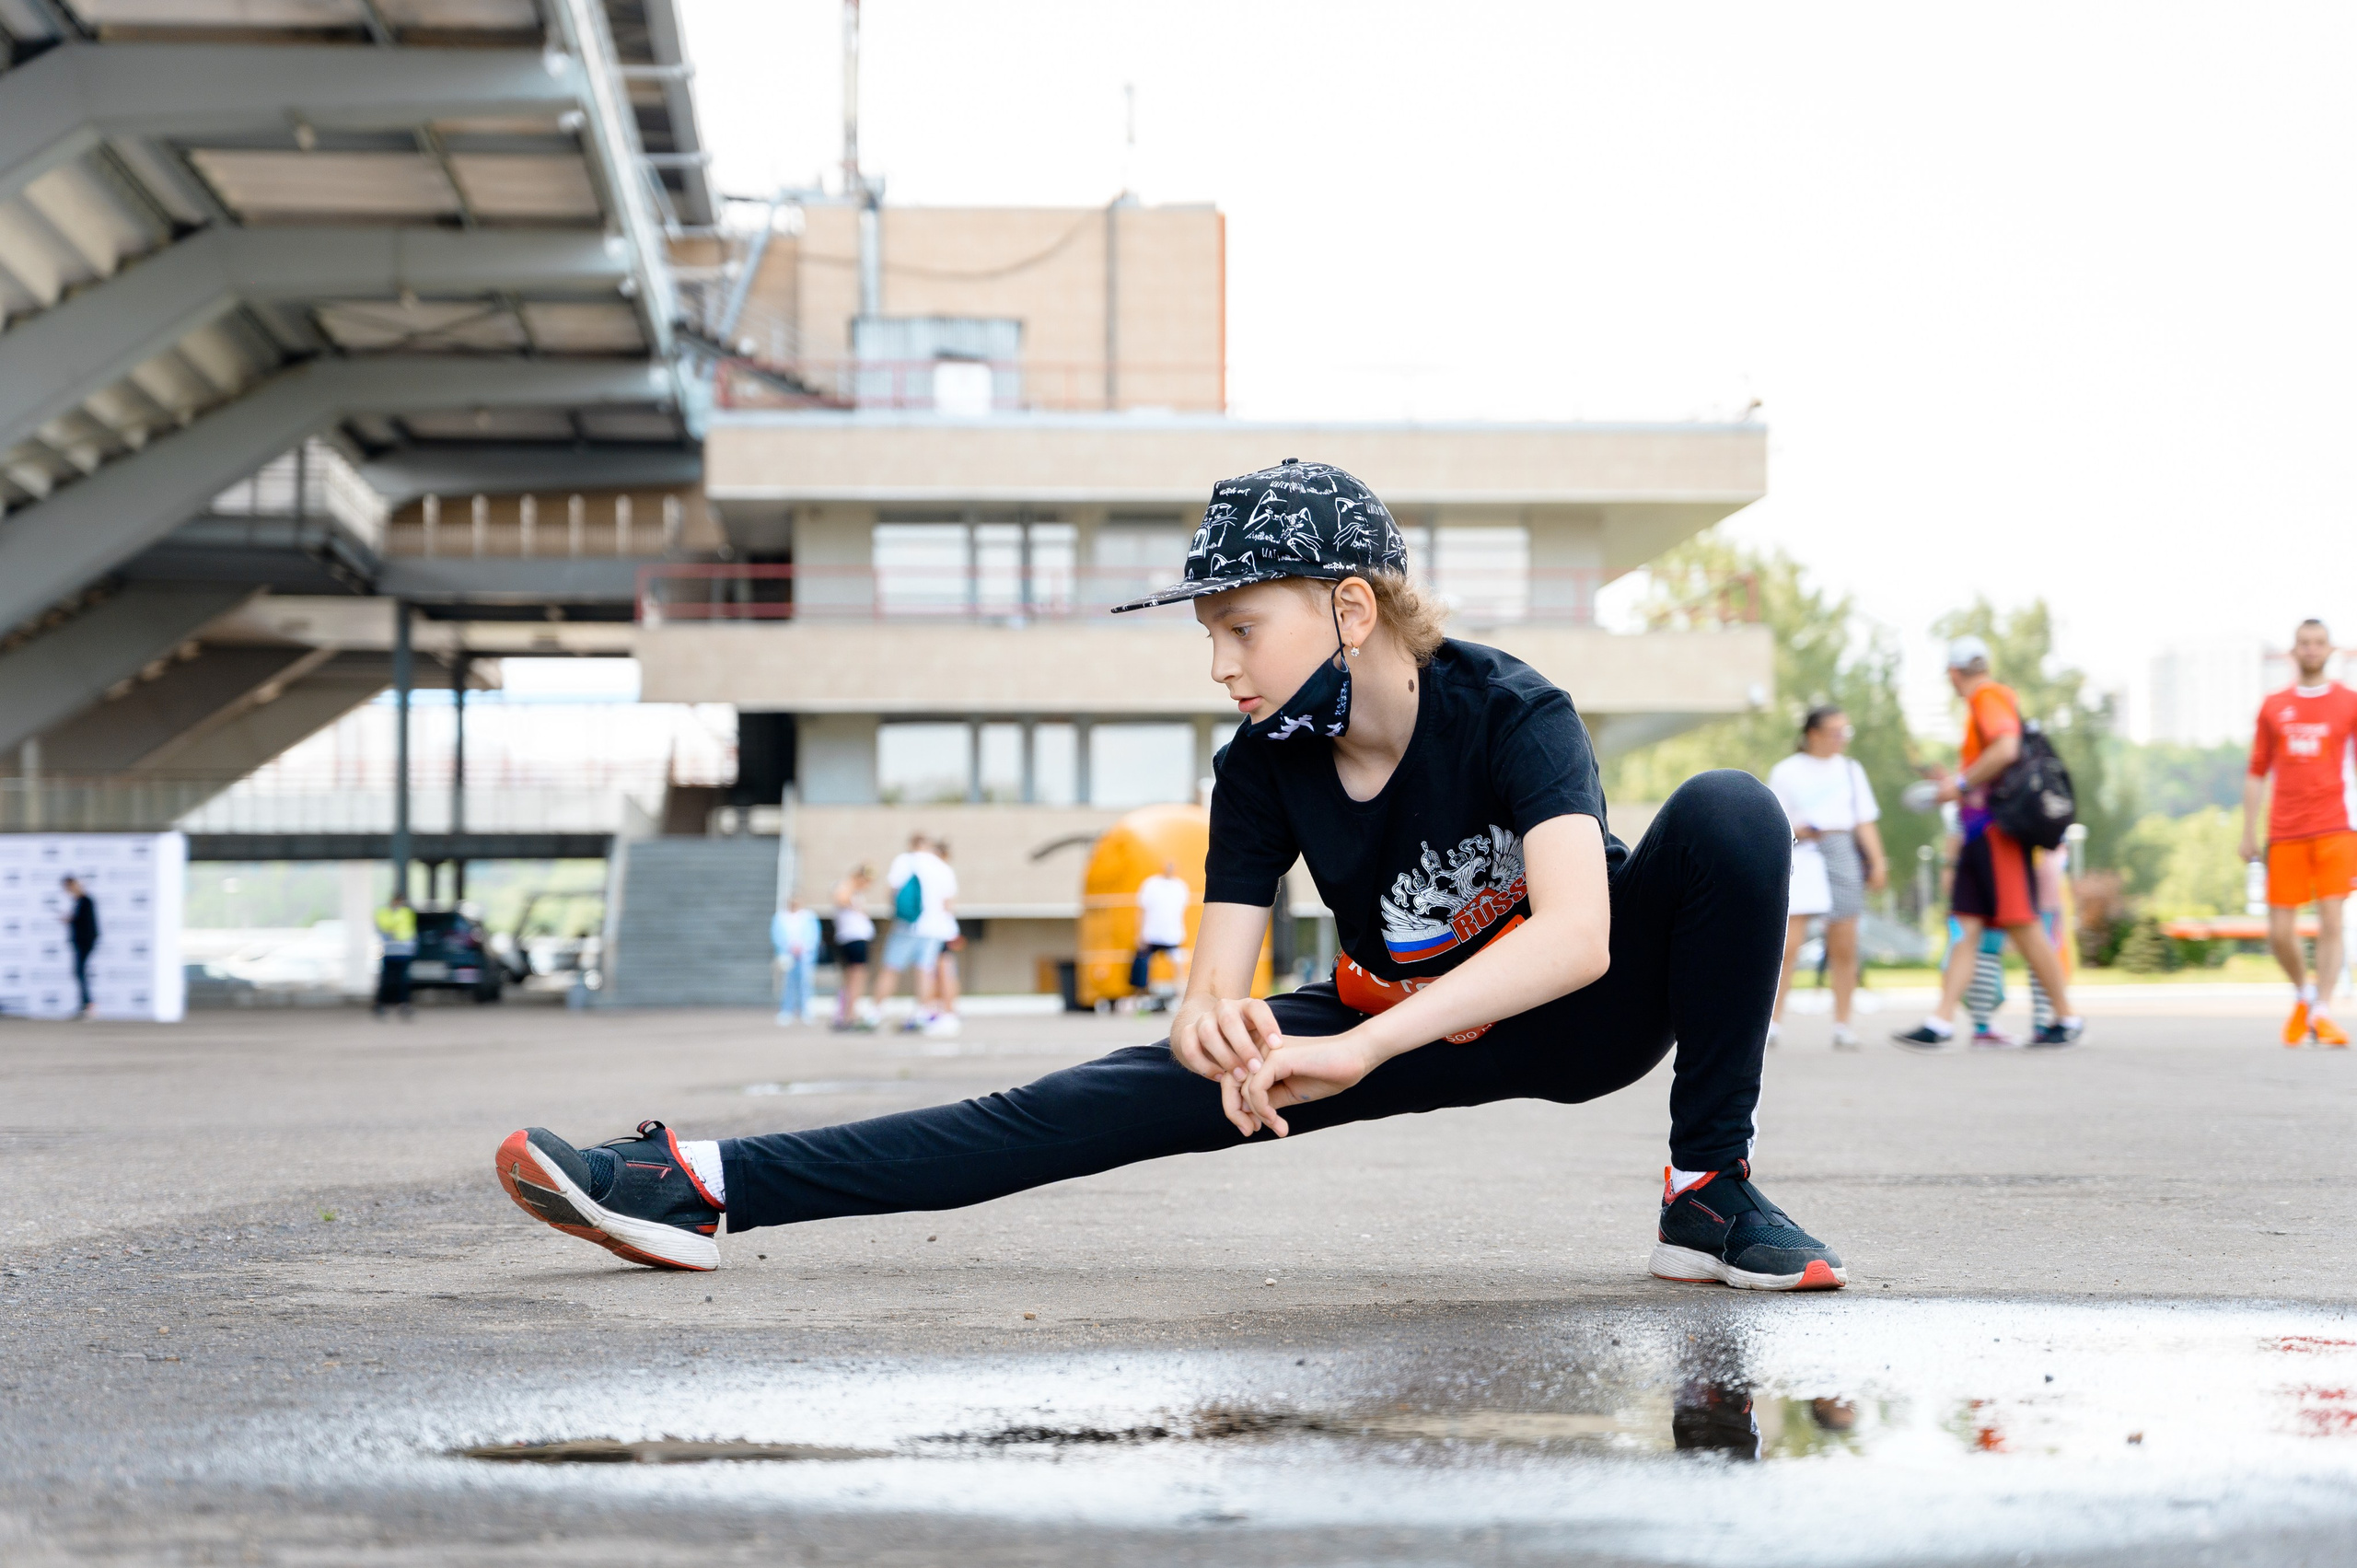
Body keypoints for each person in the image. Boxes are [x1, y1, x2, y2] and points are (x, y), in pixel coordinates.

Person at [495, 459, 1847, 1293]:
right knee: (1062, 1104)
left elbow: (1576, 936)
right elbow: (1219, 973)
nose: (1223, 662)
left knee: (1732, 811)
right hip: (1382, 1011)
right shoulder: (1263, 756)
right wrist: (1221, 1024)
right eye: (1213, 633)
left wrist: (1367, 1051)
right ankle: (698, 1183)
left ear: (1349, 607)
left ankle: (1707, 1191)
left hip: (1582, 1004)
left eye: (1242, 626)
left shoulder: (1509, 709)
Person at [1893, 636, 2083, 1050]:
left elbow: (2006, 746)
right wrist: (1958, 783)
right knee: (1968, 925)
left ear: (1953, 674)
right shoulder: (1987, 697)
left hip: (1997, 833)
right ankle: (1941, 1022)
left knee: (2024, 923)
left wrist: (1960, 783)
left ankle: (2067, 1017)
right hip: (1979, 832)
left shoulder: (1987, 696)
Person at [2240, 618, 2357, 1047]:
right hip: (2286, 830)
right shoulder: (2274, 706)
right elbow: (2256, 772)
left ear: (2331, 650)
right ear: (2293, 651)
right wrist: (2248, 831)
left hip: (2336, 828)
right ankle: (2304, 995)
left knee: (2332, 921)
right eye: (2304, 643)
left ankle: (2324, 1011)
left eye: (2319, 643)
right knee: (2279, 931)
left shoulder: (2349, 703)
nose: (2311, 650)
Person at [1766, 706, 1886, 1050]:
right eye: (1835, 731)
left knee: (1844, 945)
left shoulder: (1850, 769)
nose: (1842, 739)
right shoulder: (1786, 772)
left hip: (1841, 851)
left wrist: (1877, 862)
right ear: (1813, 734)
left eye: (1845, 732)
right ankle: (1771, 1022)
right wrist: (1796, 831)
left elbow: (1864, 819)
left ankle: (1843, 1024)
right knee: (1786, 945)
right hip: (1802, 853)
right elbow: (1775, 819)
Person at [872, 834, 956, 1032]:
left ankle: (875, 1012)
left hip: (907, 924)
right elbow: (948, 903)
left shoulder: (905, 860)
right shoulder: (941, 866)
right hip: (933, 927)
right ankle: (923, 1012)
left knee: (891, 967)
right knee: (925, 970)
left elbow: (892, 890)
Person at [1131, 860, 1194, 1004]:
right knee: (1143, 967)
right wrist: (1139, 934)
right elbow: (1141, 910)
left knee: (1178, 965)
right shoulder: (1151, 884)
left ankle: (1182, 999)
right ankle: (1140, 998)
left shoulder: (1180, 886)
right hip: (1151, 934)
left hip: (1172, 935)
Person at [830, 864, 877, 1031]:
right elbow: (840, 899)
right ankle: (849, 1015)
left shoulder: (854, 890)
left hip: (857, 938)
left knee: (855, 977)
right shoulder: (847, 886)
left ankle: (848, 1013)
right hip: (853, 938)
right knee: (856, 977)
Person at [926, 841, 962, 1038]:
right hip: (941, 929)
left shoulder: (941, 871)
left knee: (943, 971)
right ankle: (946, 1011)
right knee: (941, 971)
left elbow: (947, 903)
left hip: (939, 929)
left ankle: (949, 1012)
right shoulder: (944, 871)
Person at [771, 896, 820, 1027]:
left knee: (805, 982)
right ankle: (787, 1010)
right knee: (788, 983)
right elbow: (776, 936)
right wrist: (788, 947)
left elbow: (814, 935)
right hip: (788, 954)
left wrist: (804, 947)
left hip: (805, 954)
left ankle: (806, 1010)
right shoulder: (780, 917)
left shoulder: (808, 916)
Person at [372, 889, 415, 1020]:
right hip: (390, 951)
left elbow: (409, 930)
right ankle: (381, 1004)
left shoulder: (406, 913)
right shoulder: (384, 912)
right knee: (387, 980)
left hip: (403, 951)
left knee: (403, 980)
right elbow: (382, 927)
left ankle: (403, 1004)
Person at [59, 876, 98, 1019]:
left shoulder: (86, 901)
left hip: (85, 942)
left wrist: (71, 920)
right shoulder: (79, 902)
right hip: (80, 942)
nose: (68, 890)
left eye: (69, 887)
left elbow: (88, 924)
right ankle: (86, 1005)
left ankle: (88, 1005)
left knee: (79, 971)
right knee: (78, 972)